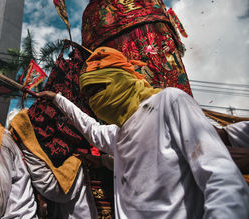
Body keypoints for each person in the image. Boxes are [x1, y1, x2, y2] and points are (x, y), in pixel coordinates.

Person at [36, 46, 249, 218]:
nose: (94, 100)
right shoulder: (117, 135)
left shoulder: (169, 103)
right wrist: (57, 99)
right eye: (88, 95)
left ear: (120, 78)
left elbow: (220, 177)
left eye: (97, 88)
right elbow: (90, 128)